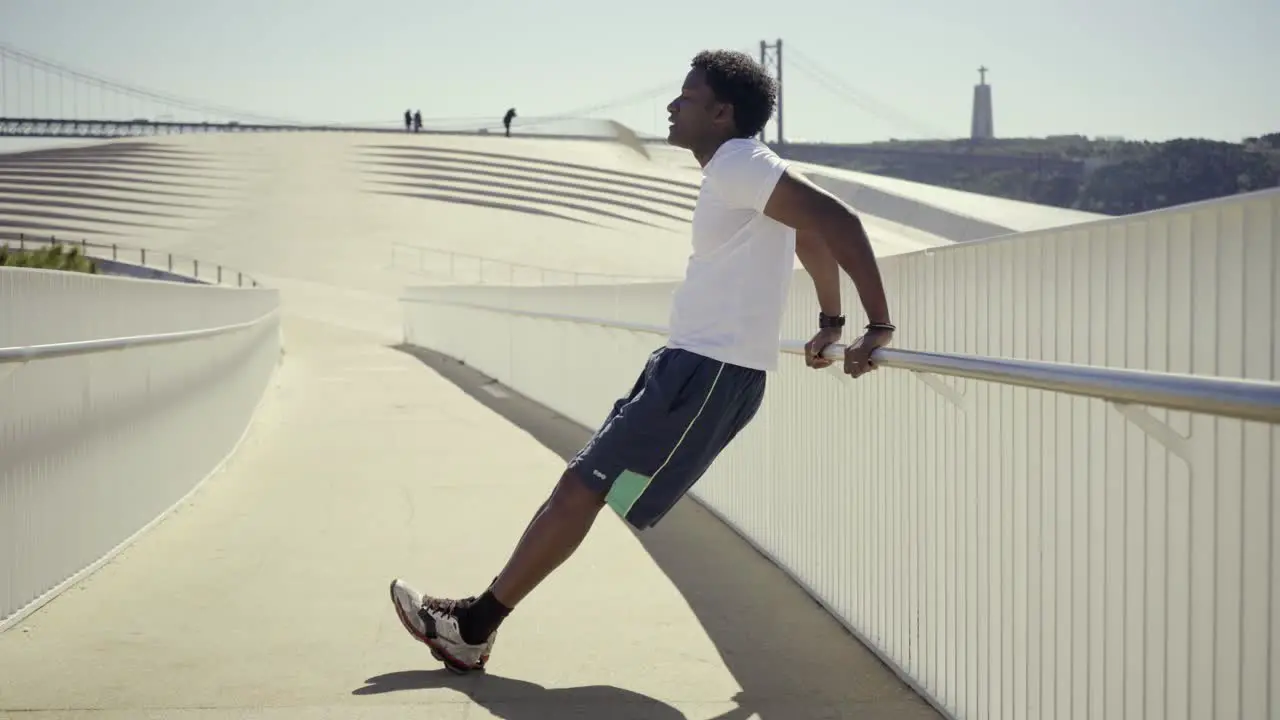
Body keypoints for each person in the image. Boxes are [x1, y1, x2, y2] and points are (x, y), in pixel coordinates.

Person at [389, 49, 896, 674]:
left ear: (720, 112)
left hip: (705, 373)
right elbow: (811, 234)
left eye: (686, 96)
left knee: (581, 487)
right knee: (584, 486)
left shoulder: (739, 160)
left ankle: (471, 626)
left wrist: (874, 324)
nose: (672, 105)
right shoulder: (743, 170)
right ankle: (475, 624)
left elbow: (835, 220)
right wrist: (830, 322)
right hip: (692, 368)